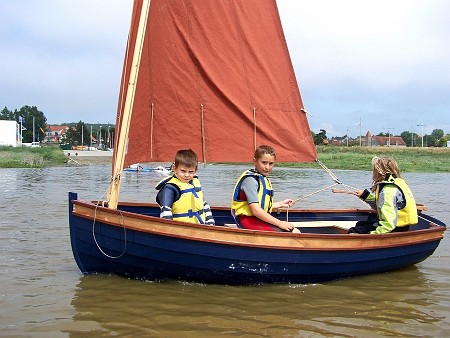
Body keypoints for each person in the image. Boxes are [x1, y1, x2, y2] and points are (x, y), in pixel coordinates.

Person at [231, 145, 300, 233]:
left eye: (271, 164)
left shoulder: (261, 178)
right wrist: (279, 223)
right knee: (294, 232)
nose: (267, 167)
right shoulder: (250, 180)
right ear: (255, 161)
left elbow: (261, 206)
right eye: (264, 162)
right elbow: (255, 210)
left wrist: (280, 204)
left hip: (257, 219)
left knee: (294, 230)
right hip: (247, 220)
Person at [348, 156, 418, 234]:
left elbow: (389, 224)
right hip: (402, 226)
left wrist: (373, 234)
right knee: (360, 224)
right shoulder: (398, 182)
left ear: (380, 172)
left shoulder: (388, 190)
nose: (373, 173)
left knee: (353, 231)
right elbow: (381, 205)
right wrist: (365, 196)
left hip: (395, 229)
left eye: (374, 171)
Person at [155, 149, 215, 225]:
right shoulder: (170, 187)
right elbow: (165, 211)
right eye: (183, 171)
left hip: (200, 227)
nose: (187, 175)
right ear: (175, 168)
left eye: (191, 172)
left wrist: (210, 223)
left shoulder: (195, 182)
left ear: (195, 170)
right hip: (181, 229)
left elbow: (204, 204)